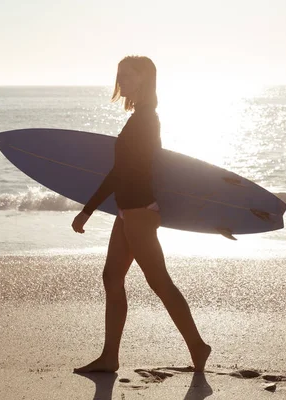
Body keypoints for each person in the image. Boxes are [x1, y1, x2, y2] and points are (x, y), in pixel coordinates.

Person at [71, 55, 211, 373]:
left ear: (143, 79)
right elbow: (123, 171)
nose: (121, 81)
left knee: (159, 282)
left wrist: (87, 210)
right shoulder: (140, 118)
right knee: (112, 277)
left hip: (138, 211)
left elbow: (123, 172)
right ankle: (110, 357)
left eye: (126, 75)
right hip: (128, 210)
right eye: (119, 75)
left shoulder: (147, 118)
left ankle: (198, 347)